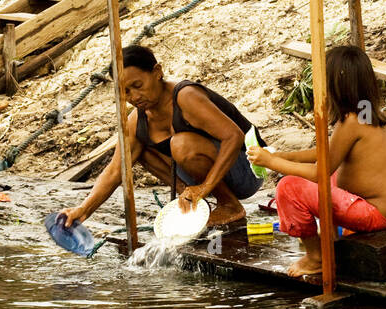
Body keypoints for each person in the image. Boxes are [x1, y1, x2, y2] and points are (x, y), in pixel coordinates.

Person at [58, 44, 263, 230]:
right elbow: (115, 170)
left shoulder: (186, 96)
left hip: (248, 169)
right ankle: (192, 202)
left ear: (157, 72)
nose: (134, 97)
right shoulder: (136, 119)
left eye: (138, 86)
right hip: (209, 176)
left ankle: (229, 205)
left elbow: (233, 136)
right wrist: (83, 210)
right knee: (137, 149)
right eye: (125, 92)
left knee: (181, 144)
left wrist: (204, 188)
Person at [247, 45, 386, 279]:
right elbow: (324, 153)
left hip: (375, 213)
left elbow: (319, 172)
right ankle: (328, 242)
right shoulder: (362, 115)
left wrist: (272, 163)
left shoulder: (353, 121)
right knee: (321, 177)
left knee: (289, 186)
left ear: (336, 85)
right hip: (385, 211)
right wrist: (280, 155)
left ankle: (316, 257)